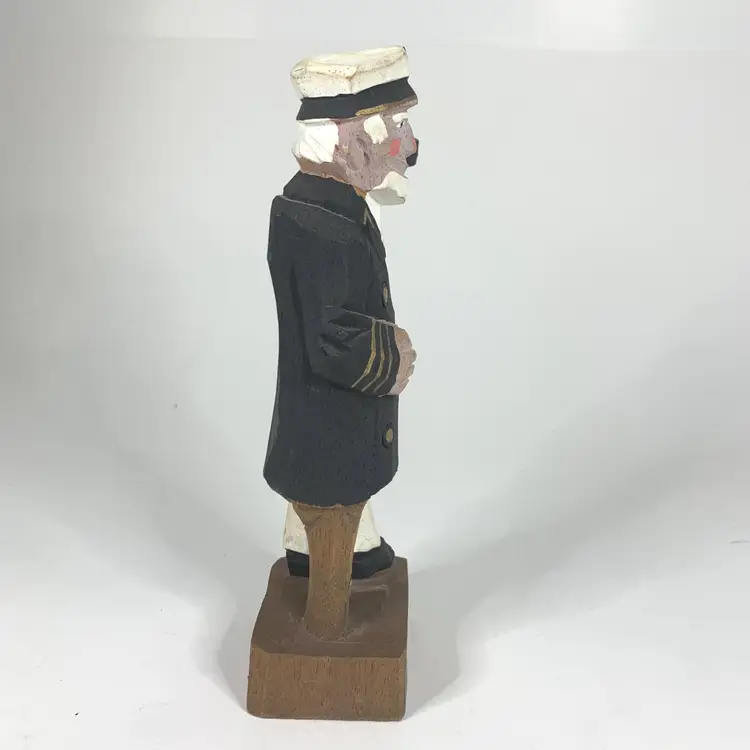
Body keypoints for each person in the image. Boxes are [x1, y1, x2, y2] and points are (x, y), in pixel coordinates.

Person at [263, 46, 419, 581]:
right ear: (349, 141)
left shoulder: (341, 207)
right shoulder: (316, 222)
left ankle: (315, 546)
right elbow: (327, 335)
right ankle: (326, 597)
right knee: (332, 486)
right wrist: (390, 356)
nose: (408, 146)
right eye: (395, 127)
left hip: (327, 412)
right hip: (326, 409)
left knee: (339, 481)